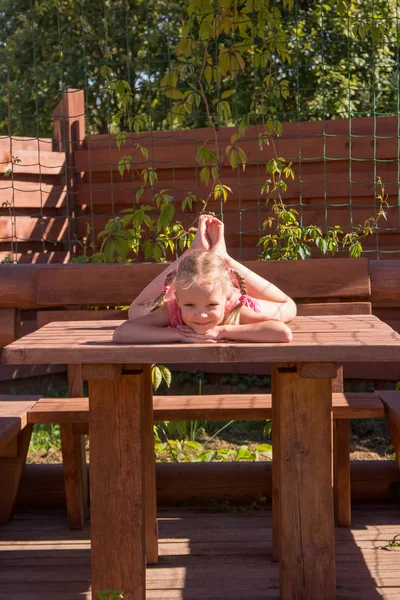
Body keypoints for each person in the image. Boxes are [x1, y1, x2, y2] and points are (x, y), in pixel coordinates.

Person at [113, 215, 296, 344]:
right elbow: (122, 333)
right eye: (190, 305)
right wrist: (179, 335)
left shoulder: (232, 306)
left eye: (211, 305)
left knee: (288, 307)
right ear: (177, 298)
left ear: (224, 301)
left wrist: (221, 331)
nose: (201, 315)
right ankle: (192, 254)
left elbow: (282, 332)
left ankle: (223, 258)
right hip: (198, 289)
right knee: (136, 312)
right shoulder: (174, 309)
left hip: (234, 297)